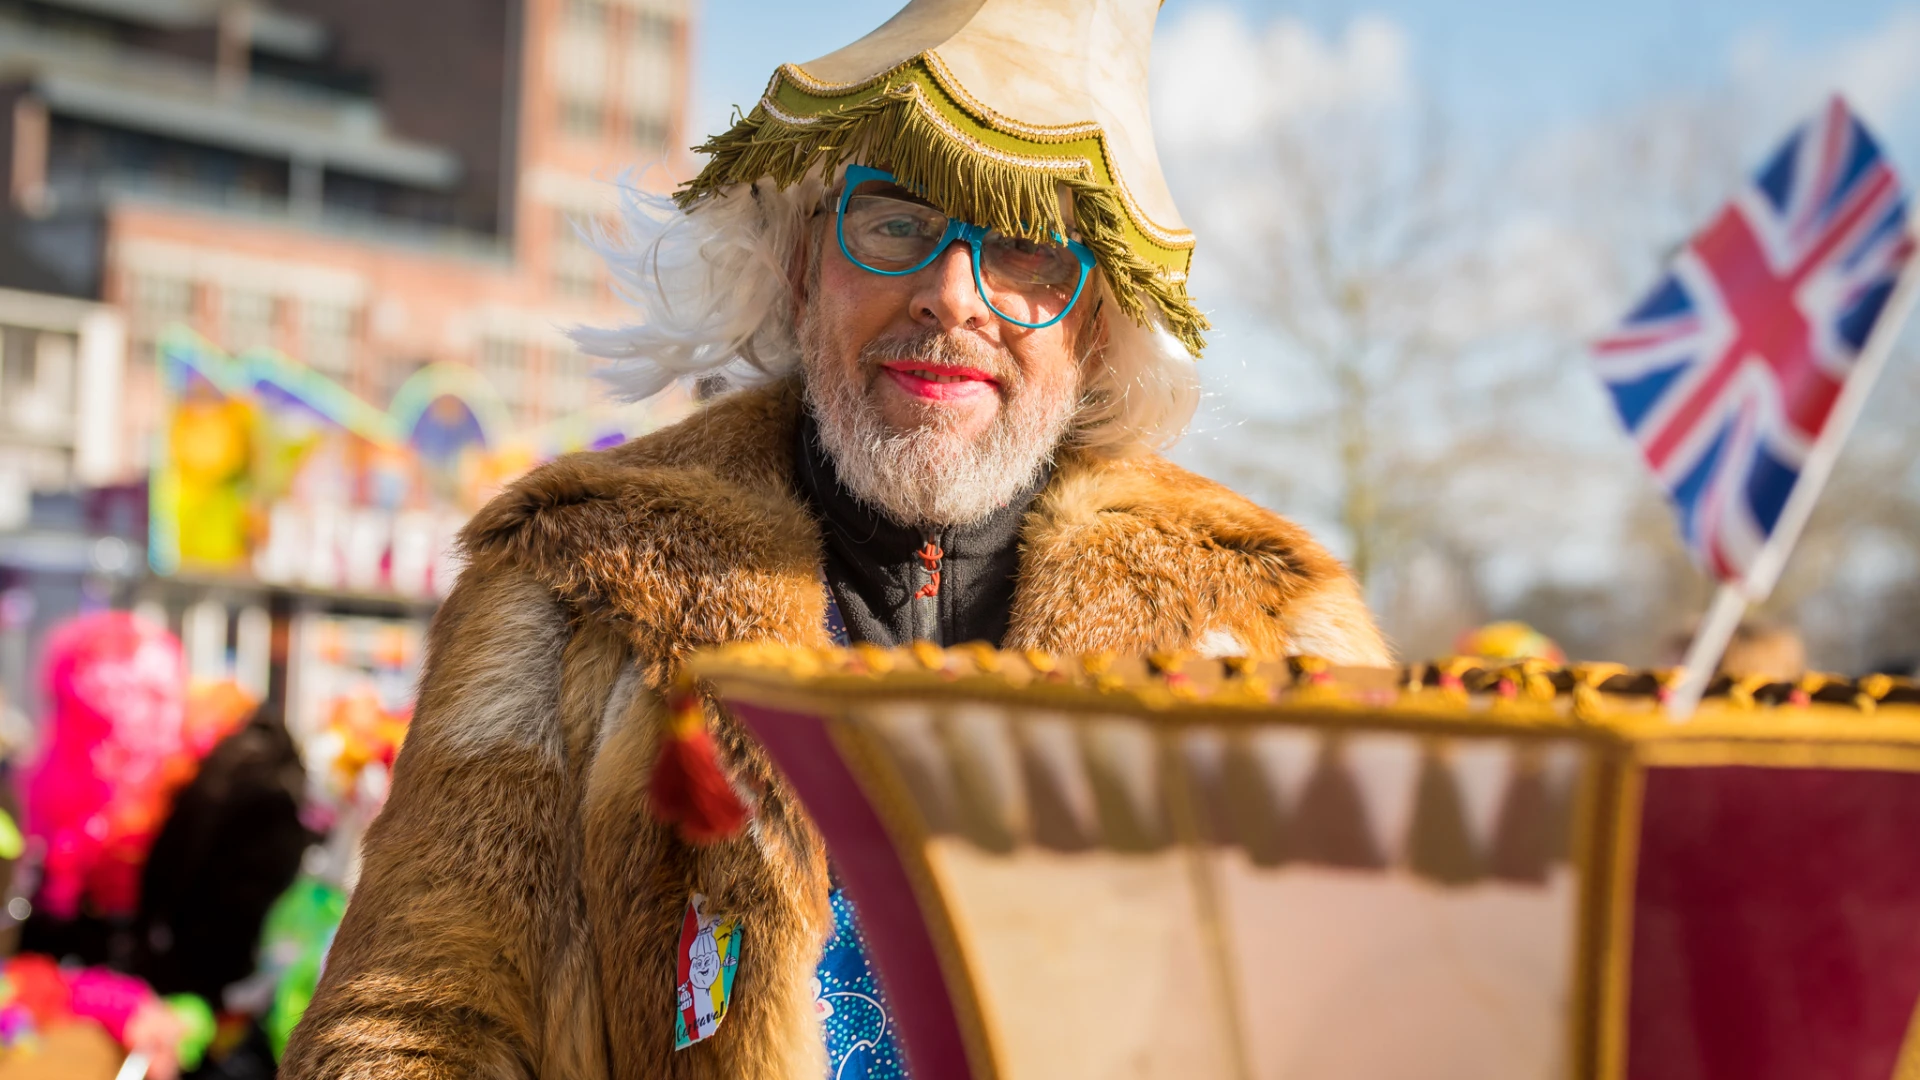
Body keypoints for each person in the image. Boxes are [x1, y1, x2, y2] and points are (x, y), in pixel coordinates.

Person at [281, 1, 1390, 1077]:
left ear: (1095, 324)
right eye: (896, 220)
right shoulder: (567, 585)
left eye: (1024, 250)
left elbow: (1378, 1030)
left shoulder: (1264, 642)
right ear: (805, 263)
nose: (953, 297)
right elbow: (413, 1031)